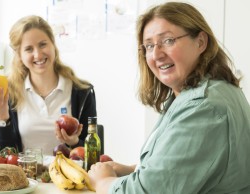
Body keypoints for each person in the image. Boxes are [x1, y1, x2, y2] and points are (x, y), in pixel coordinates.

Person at [88, 2, 250, 194]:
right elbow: (191, 169)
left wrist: (102, 182)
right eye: (149, 46)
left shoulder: (203, 108)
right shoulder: (206, 92)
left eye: (168, 41)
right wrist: (134, 170)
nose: (156, 54)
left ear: (200, 42)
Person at [0, 15, 97, 155]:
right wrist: (1, 116)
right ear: (19, 55)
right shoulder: (10, 92)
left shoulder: (82, 92)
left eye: (43, 44)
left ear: (53, 45)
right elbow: (5, 156)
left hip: (68, 175)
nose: (38, 55)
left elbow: (94, 156)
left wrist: (74, 142)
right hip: (25, 176)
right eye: (29, 49)